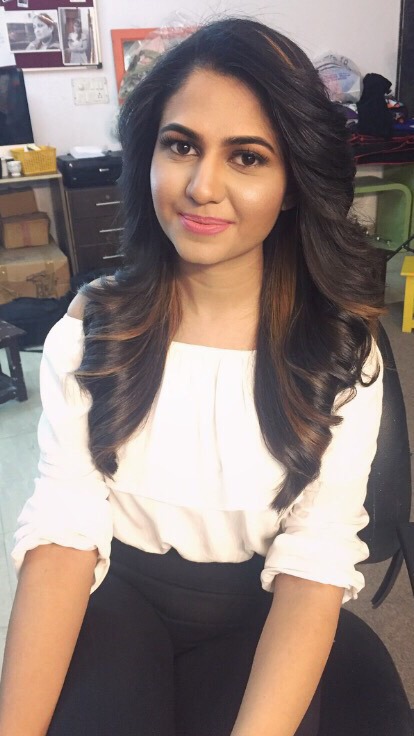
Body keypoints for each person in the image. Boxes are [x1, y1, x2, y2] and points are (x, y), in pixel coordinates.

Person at [0, 17, 384, 736]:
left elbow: (314, 560)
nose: (202, 187)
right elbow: (62, 534)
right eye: (181, 146)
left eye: (247, 157)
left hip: (263, 609)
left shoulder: (339, 354)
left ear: (292, 183)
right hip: (117, 596)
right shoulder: (89, 333)